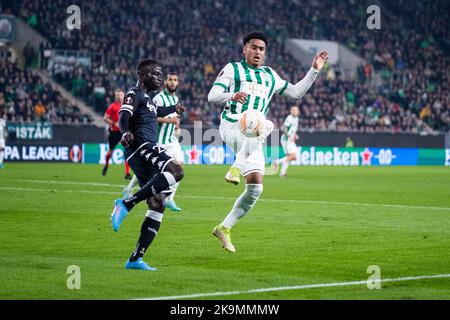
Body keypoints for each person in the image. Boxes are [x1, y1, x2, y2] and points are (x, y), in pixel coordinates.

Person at [207, 30, 328, 252]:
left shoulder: (269, 75)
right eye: (253, 47)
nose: (257, 52)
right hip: (233, 126)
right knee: (264, 122)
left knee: (255, 188)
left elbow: (296, 92)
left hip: (254, 135)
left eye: (261, 49)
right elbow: (212, 96)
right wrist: (230, 96)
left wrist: (314, 70)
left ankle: (224, 228)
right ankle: (235, 168)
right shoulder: (233, 69)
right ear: (245, 49)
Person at [110, 59, 186, 270]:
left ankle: (135, 259)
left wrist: (174, 108)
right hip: (140, 145)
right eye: (156, 74)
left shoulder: (150, 100)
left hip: (144, 149)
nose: (160, 78)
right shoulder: (135, 93)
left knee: (158, 202)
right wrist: (125, 131)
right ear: (142, 75)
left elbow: (157, 113)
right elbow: (123, 115)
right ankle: (126, 203)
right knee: (177, 170)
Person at [123, 73, 184, 212]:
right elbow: (152, 117)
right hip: (159, 140)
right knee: (151, 170)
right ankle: (129, 189)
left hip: (171, 140)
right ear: (165, 82)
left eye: (175, 80)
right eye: (170, 80)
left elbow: (173, 118)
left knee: (179, 167)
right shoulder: (158, 98)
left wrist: (176, 126)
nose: (173, 82)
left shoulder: (176, 99)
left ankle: (170, 198)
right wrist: (170, 121)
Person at [102, 88, 132, 179]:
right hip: (114, 132)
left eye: (121, 95)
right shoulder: (112, 106)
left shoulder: (128, 106)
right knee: (110, 151)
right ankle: (106, 165)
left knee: (128, 151)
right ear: (115, 96)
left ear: (124, 95)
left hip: (124, 132)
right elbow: (105, 118)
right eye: (117, 95)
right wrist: (113, 123)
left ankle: (127, 173)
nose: (119, 97)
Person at [272, 106, 300, 176]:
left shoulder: (296, 119)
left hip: (290, 139)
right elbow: (283, 128)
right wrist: (289, 136)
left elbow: (292, 129)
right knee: (293, 156)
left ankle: (282, 172)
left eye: (297, 110)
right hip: (286, 139)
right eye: (295, 110)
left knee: (291, 157)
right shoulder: (289, 118)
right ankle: (277, 162)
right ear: (291, 111)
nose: (296, 111)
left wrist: (294, 135)